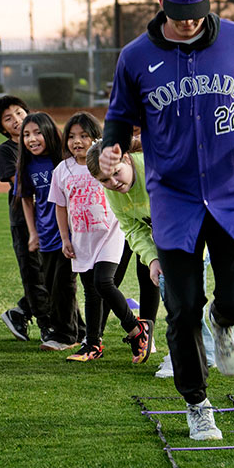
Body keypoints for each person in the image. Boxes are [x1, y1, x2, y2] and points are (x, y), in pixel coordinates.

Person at [98, 0, 234, 441]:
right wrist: (111, 148)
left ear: (210, 0)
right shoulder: (135, 57)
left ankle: (224, 322)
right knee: (182, 307)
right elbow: (119, 117)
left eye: (197, 12)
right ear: (160, 1)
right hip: (174, 197)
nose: (188, 23)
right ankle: (197, 404)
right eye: (179, 13)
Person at [50, 112, 149, 363]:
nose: (77, 141)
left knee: (104, 282)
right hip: (82, 239)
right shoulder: (62, 170)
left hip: (110, 235)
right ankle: (93, 344)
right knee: (91, 292)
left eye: (84, 135)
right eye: (72, 136)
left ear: (96, 137)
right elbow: (60, 206)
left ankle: (135, 328)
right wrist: (65, 239)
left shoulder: (106, 164)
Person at [89, 138, 161, 365]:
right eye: (104, 180)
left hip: (197, 229)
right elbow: (132, 228)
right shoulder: (113, 193)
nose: (113, 183)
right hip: (164, 235)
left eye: (116, 173)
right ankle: (181, 353)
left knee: (192, 296)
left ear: (127, 159)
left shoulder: (155, 168)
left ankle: (194, 353)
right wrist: (153, 259)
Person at [17, 111, 80, 351]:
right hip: (46, 235)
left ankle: (65, 336)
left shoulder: (64, 161)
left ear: (50, 133)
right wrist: (33, 233)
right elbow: (26, 199)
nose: (32, 139)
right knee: (53, 286)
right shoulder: (26, 164)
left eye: (37, 133)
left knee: (63, 285)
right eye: (26, 135)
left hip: (69, 234)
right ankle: (79, 330)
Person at [0, 94, 48, 342]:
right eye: (8, 118)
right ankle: (48, 326)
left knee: (54, 273)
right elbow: (22, 186)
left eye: (19, 112)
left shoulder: (45, 144)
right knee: (34, 273)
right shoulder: (6, 151)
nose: (16, 119)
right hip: (25, 220)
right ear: (2, 127)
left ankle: (21, 311)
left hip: (53, 217)